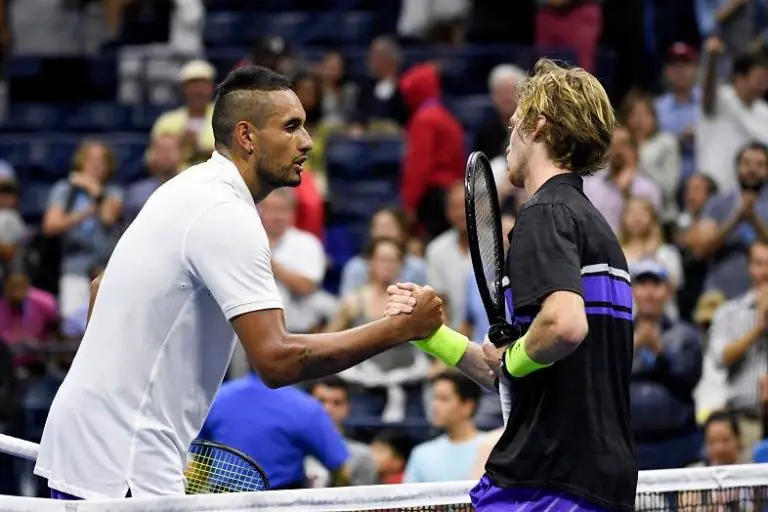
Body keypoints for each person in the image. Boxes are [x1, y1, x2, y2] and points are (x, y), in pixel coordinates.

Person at [33, 66, 444, 501]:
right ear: (247, 136)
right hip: (126, 464)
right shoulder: (227, 214)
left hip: (89, 445)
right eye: (291, 127)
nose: (307, 141)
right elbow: (277, 360)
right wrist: (399, 329)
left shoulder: (183, 187)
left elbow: (101, 288)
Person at [387, 59, 637, 511]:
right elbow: (516, 371)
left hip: (547, 480)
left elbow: (563, 327)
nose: (509, 136)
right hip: (592, 480)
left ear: (539, 127)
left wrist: (511, 359)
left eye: (515, 123)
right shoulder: (595, 228)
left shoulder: (545, 213)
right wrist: (430, 335)